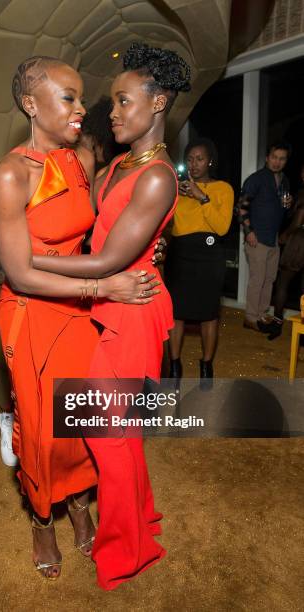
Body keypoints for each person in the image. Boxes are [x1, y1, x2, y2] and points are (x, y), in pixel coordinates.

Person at [0, 55, 161, 582]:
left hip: (78, 309)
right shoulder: (11, 173)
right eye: (69, 97)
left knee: (79, 420)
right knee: (42, 429)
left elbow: (93, 235)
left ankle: (80, 502)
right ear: (30, 104)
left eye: (82, 98)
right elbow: (19, 274)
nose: (83, 109)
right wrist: (101, 286)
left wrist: (140, 253)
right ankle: (43, 518)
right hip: (33, 312)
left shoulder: (73, 162)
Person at [30, 42, 191, 590]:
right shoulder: (125, 161)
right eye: (113, 103)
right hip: (111, 298)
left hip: (130, 306)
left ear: (160, 101)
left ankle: (129, 547)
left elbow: (109, 258)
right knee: (118, 432)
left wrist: (24, 258)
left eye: (124, 102)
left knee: (106, 435)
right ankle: (139, 519)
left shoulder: (157, 176)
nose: (114, 113)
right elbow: (103, 231)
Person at [164, 138, 234, 390]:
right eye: (190, 159)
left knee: (208, 315)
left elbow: (222, 227)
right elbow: (168, 223)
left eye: (200, 159)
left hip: (209, 256)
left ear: (210, 161)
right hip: (181, 255)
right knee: (176, 314)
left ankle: (206, 366)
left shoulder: (223, 189)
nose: (194, 164)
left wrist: (201, 197)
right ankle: (174, 366)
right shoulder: (176, 188)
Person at [237, 141, 293, 331]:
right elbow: (241, 208)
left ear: (286, 161)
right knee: (257, 279)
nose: (277, 162)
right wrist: (249, 231)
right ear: (267, 158)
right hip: (257, 238)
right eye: (274, 157)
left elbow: (281, 212)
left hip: (273, 239)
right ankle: (250, 318)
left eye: (282, 158)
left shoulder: (284, 180)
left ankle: (261, 314)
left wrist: (287, 206)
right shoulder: (256, 179)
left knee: (269, 279)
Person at [262, 163, 304, 339]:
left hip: (299, 240)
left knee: (283, 283)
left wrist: (284, 235)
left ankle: (277, 324)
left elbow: (299, 218)